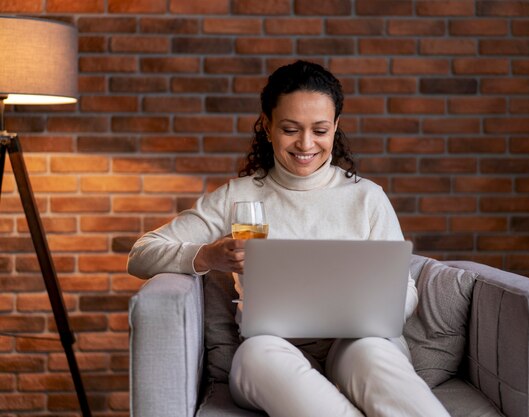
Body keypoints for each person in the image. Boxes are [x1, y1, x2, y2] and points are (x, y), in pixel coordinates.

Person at [127, 60, 450, 417]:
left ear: (336, 127)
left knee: (371, 354)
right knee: (259, 354)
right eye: (291, 129)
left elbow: (404, 289)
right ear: (267, 126)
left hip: (357, 341)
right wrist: (208, 256)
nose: (306, 144)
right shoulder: (238, 196)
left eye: (320, 130)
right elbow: (141, 254)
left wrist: (370, 314)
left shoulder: (366, 198)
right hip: (269, 348)